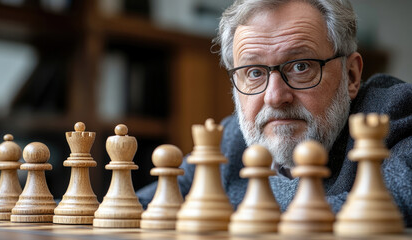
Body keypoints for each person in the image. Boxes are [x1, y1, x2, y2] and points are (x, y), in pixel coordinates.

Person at [137, 0, 412, 227]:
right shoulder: (229, 142)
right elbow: (142, 206)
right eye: (254, 72)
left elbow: (395, 200)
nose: (275, 97)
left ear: (351, 76)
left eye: (301, 66)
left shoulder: (391, 116)